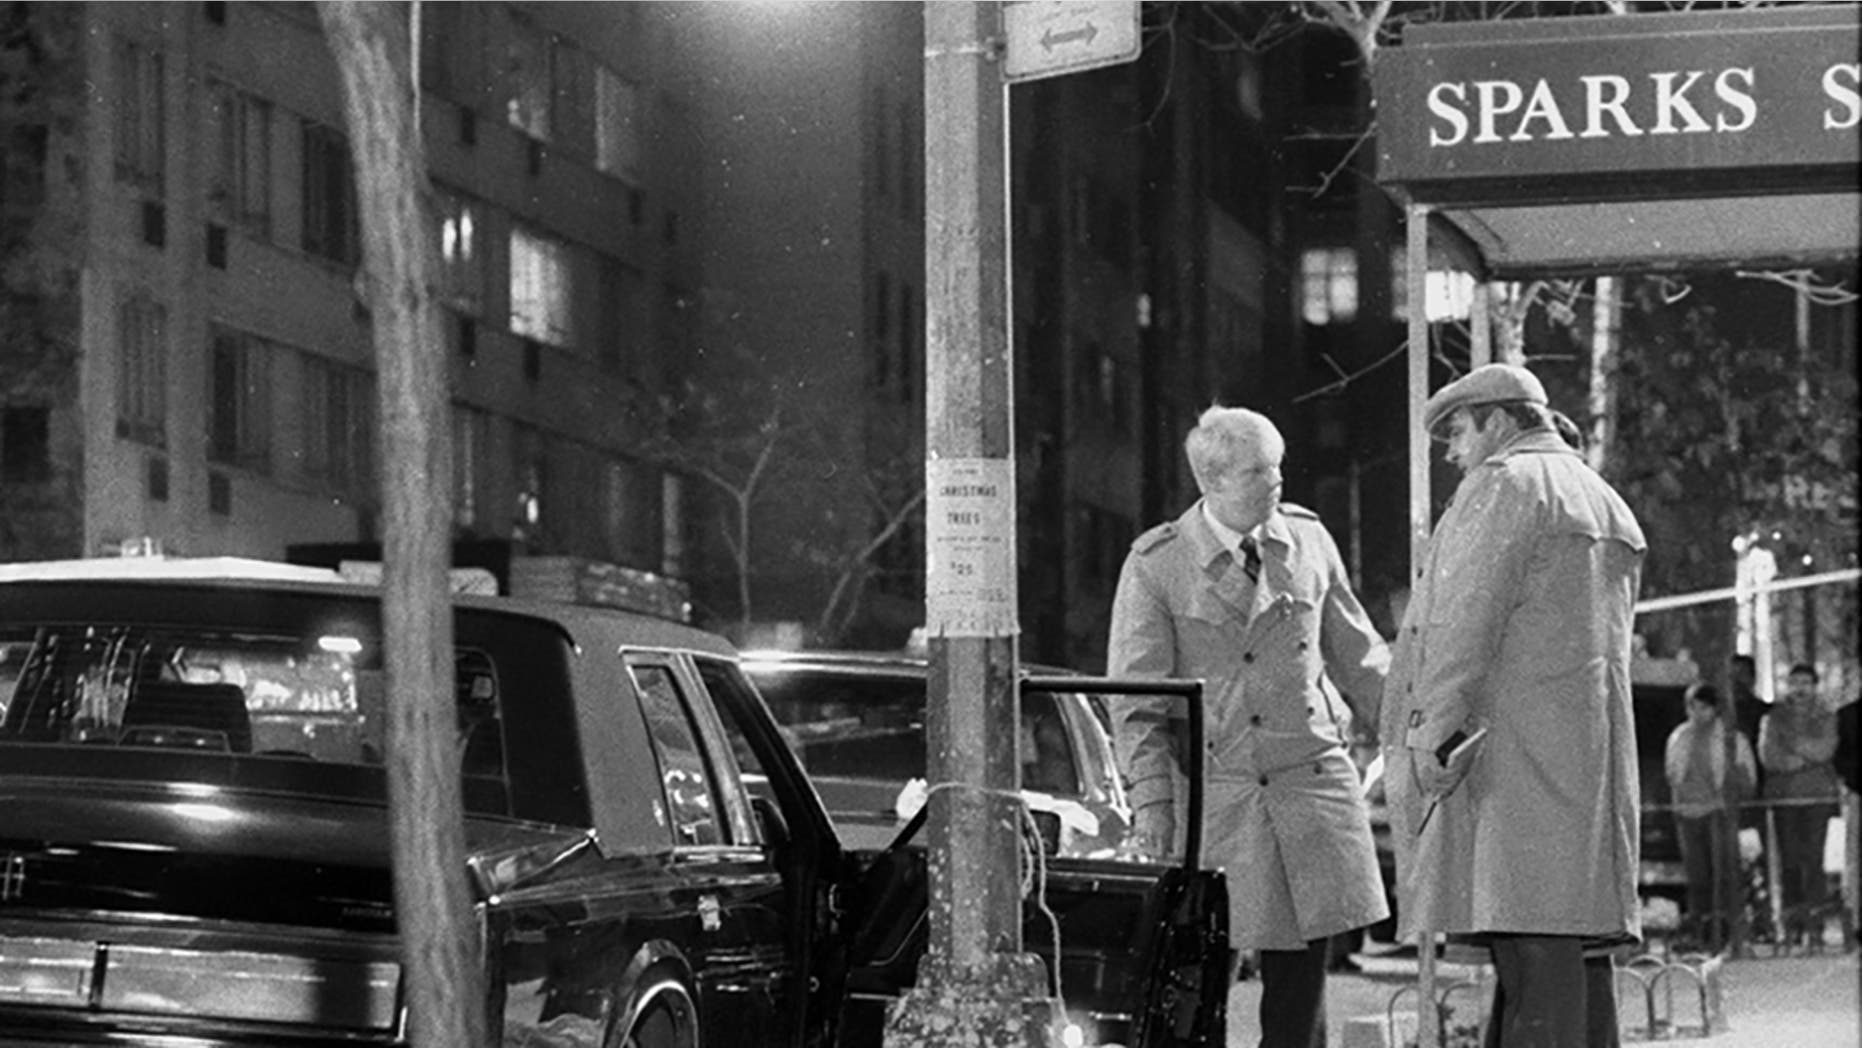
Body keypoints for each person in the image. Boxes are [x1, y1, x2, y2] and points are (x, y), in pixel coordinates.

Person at [1108, 404, 1389, 1048]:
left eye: (1279, 466)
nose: (1277, 482)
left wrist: (1423, 725)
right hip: (1220, 803)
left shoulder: (1308, 541)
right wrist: (1153, 803)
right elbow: (1138, 703)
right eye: (1260, 471)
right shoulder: (1157, 565)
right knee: (1199, 987)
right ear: (1211, 482)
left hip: (1313, 791)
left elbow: (1361, 655)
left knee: (1301, 1001)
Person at [1382, 363, 1645, 1048]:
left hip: (1511, 767)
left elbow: (1462, 625)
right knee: (1573, 968)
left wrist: (1426, 741)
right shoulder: (1601, 496)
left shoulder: (1504, 486)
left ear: (1498, 422)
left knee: (1533, 966)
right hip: (1583, 770)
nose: (1451, 451)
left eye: (1458, 432)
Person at [1663, 683, 1756, 947]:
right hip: (1687, 814)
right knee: (1697, 877)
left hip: (1719, 813)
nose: (1696, 712)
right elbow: (1672, 774)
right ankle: (1699, 930)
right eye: (1691, 706)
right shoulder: (1678, 737)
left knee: (1725, 874)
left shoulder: (1730, 738)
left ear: (1714, 709)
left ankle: (1729, 931)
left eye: (1703, 706)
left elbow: (1747, 777)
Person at [1757, 662, 1840, 947]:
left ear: (1815, 686)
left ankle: (1815, 920)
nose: (1800, 688)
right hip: (1784, 798)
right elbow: (1770, 756)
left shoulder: (1827, 715)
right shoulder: (1774, 717)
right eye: (1795, 682)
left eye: (1806, 682)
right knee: (1789, 860)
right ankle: (1792, 922)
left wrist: (1792, 745)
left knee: (1814, 859)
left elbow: (1825, 749)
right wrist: (1803, 756)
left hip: (1818, 797)